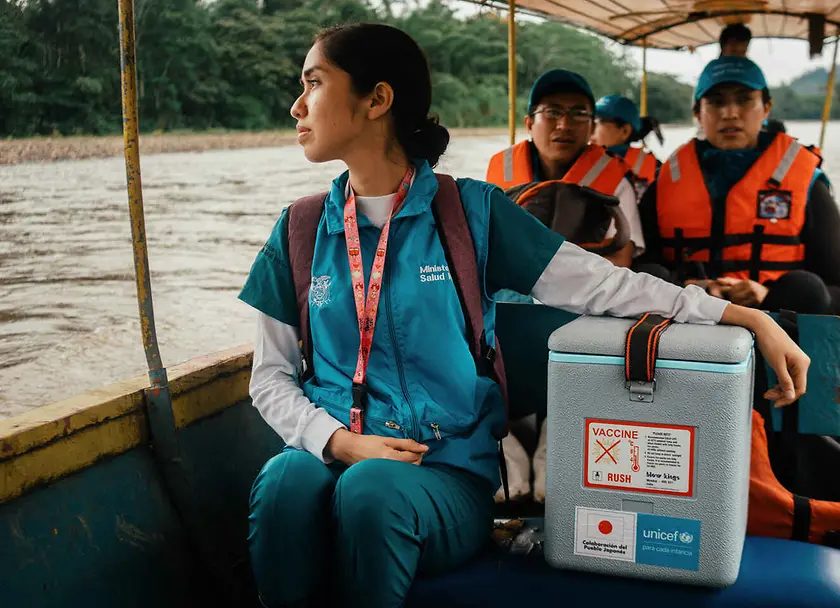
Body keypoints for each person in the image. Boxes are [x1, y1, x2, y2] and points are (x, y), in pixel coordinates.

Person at [240, 23, 811, 608]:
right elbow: (271, 378)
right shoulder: (300, 230)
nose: (297, 105)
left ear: (377, 99)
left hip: (440, 469)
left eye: (314, 83)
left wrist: (745, 317)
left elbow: (605, 286)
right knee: (285, 481)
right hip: (335, 449)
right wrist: (336, 440)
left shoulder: (470, 214)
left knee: (370, 490)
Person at [634, 56, 840, 317]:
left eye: (744, 100)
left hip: (776, 323)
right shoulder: (664, 183)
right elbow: (643, 266)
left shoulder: (808, 183)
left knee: (807, 288)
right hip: (687, 317)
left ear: (766, 107)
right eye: (716, 102)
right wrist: (689, 288)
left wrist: (766, 294)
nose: (730, 113)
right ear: (698, 113)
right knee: (650, 275)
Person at [485, 70, 643, 269]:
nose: (564, 125)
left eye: (578, 114)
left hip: (585, 288)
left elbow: (621, 260)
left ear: (591, 128)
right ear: (529, 123)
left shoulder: (616, 183)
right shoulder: (500, 172)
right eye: (552, 112)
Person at [592, 94, 662, 193]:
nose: (590, 128)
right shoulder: (578, 159)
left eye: (598, 121)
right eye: (589, 120)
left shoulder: (656, 170)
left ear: (625, 131)